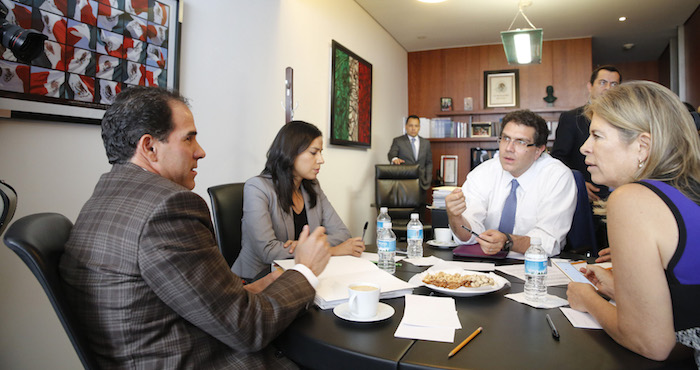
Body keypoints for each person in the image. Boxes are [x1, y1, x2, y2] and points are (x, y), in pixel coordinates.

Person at [59, 86, 332, 369]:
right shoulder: (169, 207)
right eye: (189, 139)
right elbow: (249, 329)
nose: (200, 152)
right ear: (150, 147)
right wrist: (305, 271)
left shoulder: (103, 198)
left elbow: (183, 295)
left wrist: (249, 292)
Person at [566, 81, 700, 365]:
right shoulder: (687, 191)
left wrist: (588, 299)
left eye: (597, 136)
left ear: (643, 145)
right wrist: (620, 289)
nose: (584, 147)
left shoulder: (632, 199)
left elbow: (650, 342)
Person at [232, 121, 365, 281]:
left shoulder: (312, 187)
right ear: (291, 153)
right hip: (256, 281)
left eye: (321, 152)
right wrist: (331, 250)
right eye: (314, 152)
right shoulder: (257, 188)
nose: (321, 160)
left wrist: (301, 245)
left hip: (298, 276)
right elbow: (268, 251)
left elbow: (342, 234)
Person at [445, 110, 576, 256]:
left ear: (539, 150)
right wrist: (455, 217)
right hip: (486, 263)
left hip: (534, 264)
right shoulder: (483, 172)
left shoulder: (557, 176)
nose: (509, 148)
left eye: (520, 142)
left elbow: (547, 241)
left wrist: (508, 241)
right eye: (506, 139)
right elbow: (469, 235)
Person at [552, 65, 622, 202]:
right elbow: (558, 158)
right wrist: (578, 183)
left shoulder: (626, 119)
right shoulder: (571, 118)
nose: (608, 88)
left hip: (621, 193)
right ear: (590, 86)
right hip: (587, 195)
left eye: (614, 84)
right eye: (603, 82)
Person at [387, 115, 433, 192]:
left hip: (421, 183)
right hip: (403, 182)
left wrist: (428, 179)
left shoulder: (426, 143)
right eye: (410, 125)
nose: (413, 128)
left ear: (419, 127)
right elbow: (391, 154)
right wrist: (394, 159)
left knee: (421, 204)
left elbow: (429, 163)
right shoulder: (398, 141)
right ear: (406, 126)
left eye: (416, 126)